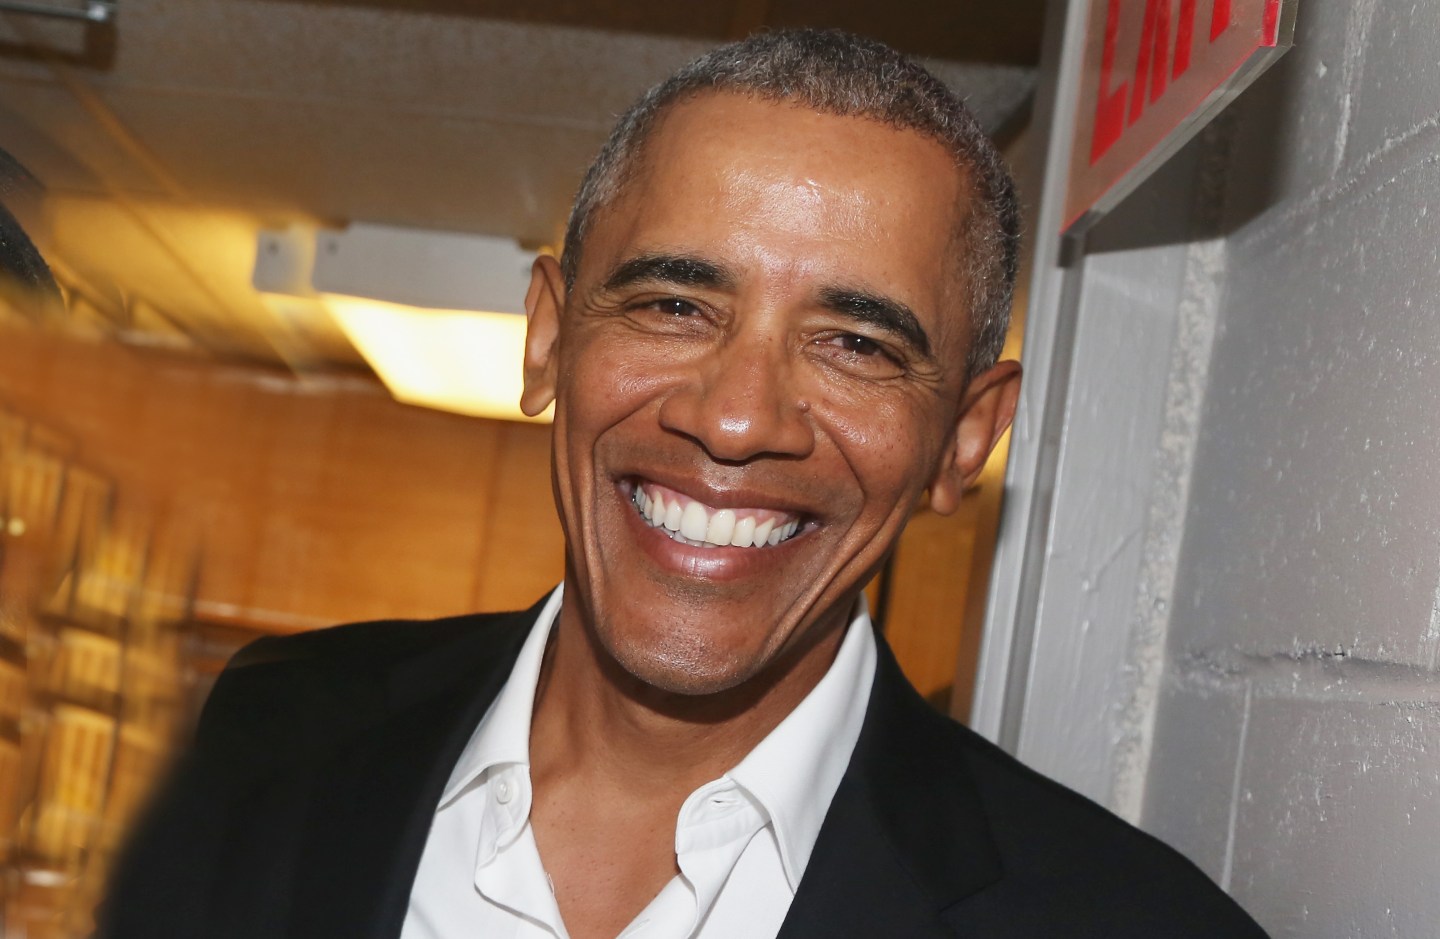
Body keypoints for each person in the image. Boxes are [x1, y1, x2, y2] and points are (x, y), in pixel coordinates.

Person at [99, 29, 1268, 939]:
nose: (737, 415)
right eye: (673, 305)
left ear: (965, 439)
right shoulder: (274, 728)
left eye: (857, 344)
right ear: (549, 340)